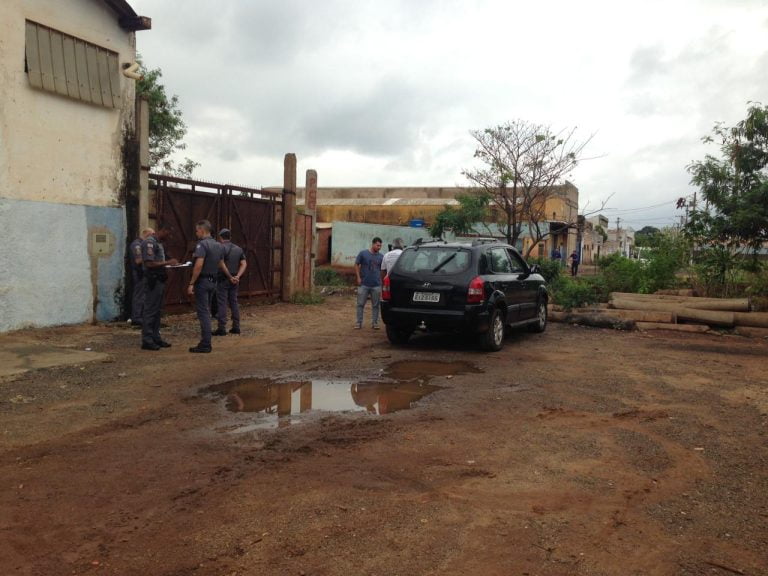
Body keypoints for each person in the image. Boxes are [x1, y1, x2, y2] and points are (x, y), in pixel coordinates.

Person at [187, 220, 226, 353]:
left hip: (202, 282)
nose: (196, 233)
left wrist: (191, 283)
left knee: (203, 312)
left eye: (197, 231)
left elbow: (198, 266)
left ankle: (205, 343)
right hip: (213, 281)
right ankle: (206, 342)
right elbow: (221, 264)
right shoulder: (218, 245)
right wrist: (230, 276)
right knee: (207, 311)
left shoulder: (202, 245)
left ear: (202, 231)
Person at [140, 225, 178, 350]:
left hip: (159, 280)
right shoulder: (149, 243)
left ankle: (156, 337)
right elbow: (149, 263)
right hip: (152, 280)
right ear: (163, 231)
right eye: (169, 235)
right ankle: (147, 339)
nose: (169, 238)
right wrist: (167, 263)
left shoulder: (159, 243)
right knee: (150, 310)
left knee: (157, 311)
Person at [213, 228, 247, 336]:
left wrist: (229, 276)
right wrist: (237, 276)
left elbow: (221, 264)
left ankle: (221, 328)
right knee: (234, 302)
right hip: (235, 279)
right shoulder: (238, 249)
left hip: (223, 278)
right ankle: (236, 326)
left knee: (222, 303)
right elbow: (244, 264)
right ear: (230, 237)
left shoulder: (220, 248)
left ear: (220, 237)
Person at [354, 237, 384, 330]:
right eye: (377, 245)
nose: (379, 247)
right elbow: (356, 264)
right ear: (373, 244)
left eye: (380, 246)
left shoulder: (381, 257)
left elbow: (383, 270)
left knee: (376, 305)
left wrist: (382, 283)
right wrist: (358, 277)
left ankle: (375, 323)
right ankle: (358, 323)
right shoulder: (363, 254)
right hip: (364, 284)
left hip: (376, 285)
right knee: (360, 304)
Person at [128, 228, 152, 327]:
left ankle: (140, 315)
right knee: (139, 295)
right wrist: (150, 258)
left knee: (143, 295)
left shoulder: (143, 244)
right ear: (146, 234)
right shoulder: (137, 245)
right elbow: (138, 260)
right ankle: (136, 317)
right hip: (139, 273)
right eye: (151, 235)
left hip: (143, 273)